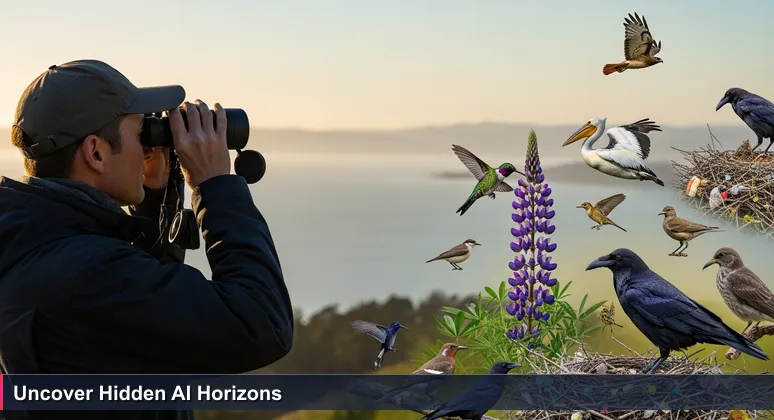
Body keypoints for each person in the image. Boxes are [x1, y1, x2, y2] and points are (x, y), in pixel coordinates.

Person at [0, 60, 294, 419]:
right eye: (141, 134)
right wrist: (216, 186)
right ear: (96, 152)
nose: (147, 148)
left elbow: (144, 317)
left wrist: (153, 198)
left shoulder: (33, 243)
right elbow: (261, 324)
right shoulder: (88, 274)